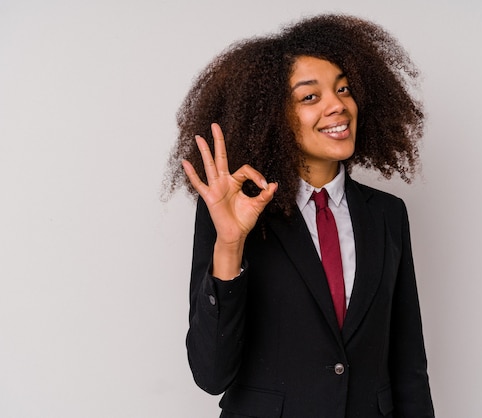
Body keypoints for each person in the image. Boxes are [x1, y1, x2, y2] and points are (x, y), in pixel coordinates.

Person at [164, 13, 435, 418]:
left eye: (343, 89)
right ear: (275, 116)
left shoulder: (388, 215)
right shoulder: (233, 217)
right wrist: (230, 244)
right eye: (310, 97)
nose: (337, 105)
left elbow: (408, 363)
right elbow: (211, 374)